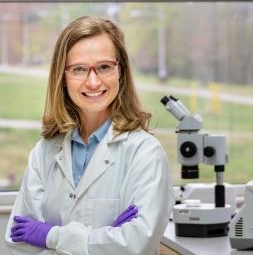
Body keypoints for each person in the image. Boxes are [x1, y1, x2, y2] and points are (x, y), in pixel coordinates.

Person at [5, 16, 174, 255]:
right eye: (79, 69)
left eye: (104, 67)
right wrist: (103, 241)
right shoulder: (45, 152)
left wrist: (50, 235)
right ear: (62, 78)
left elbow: (137, 245)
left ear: (120, 72)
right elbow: (18, 244)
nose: (93, 81)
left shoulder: (145, 153)